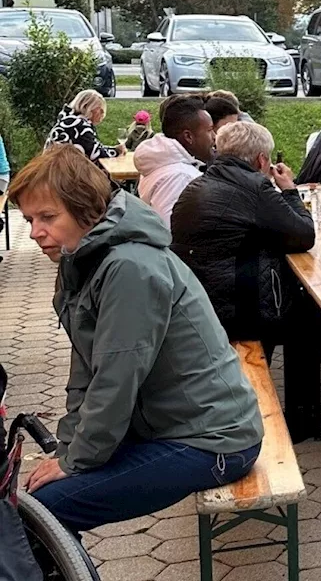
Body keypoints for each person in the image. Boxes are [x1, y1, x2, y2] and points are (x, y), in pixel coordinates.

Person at [11, 145, 263, 533]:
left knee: (45, 511)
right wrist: (66, 450)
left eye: (48, 217)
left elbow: (115, 379)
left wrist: (75, 461)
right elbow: (86, 375)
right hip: (167, 426)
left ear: (87, 209)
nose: (35, 232)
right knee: (39, 503)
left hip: (215, 441)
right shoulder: (80, 260)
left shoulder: (130, 267)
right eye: (29, 219)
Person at [170, 122, 321, 441]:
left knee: (305, 312)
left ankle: (297, 417)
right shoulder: (255, 188)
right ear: (260, 160)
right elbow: (302, 235)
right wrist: (289, 190)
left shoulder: (199, 184)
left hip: (202, 303)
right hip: (242, 312)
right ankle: (301, 421)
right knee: (312, 317)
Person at [135, 94, 216, 227]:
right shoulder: (180, 177)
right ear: (188, 136)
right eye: (209, 130)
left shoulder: (164, 162)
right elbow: (169, 230)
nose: (214, 137)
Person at [44, 90, 124, 167]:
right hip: (64, 175)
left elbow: (93, 146)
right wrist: (117, 151)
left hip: (50, 170)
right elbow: (95, 154)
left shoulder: (69, 120)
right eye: (100, 109)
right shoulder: (79, 125)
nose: (103, 113)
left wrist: (113, 149)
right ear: (87, 107)